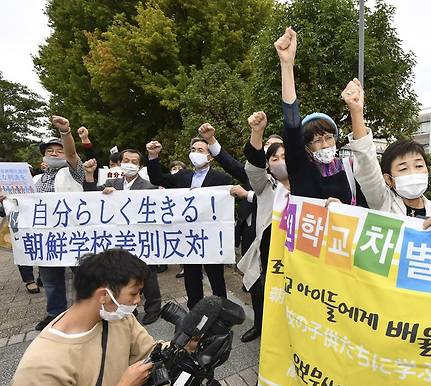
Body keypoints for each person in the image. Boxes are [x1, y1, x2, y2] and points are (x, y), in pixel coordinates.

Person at [9, 249, 156, 386]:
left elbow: (150, 351)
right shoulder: (42, 364)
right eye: (134, 293)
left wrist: (187, 344)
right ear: (104, 295)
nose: (138, 300)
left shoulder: (118, 319)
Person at [146, 123, 250, 310]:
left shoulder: (221, 179)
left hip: (210, 236)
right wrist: (153, 156)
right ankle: (195, 309)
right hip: (188, 236)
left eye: (200, 150)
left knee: (215, 276)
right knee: (192, 276)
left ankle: (221, 309)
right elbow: (157, 179)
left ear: (210, 156)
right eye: (193, 149)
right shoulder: (181, 176)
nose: (196, 152)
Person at [342, 78, 431, 233]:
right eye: (403, 168)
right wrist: (356, 112)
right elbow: (366, 161)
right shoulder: (383, 202)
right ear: (389, 179)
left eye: (419, 165)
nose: (413, 172)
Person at [274, 27, 367, 207]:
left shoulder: (350, 168)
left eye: (328, 138)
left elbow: (366, 210)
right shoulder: (301, 168)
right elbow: (292, 125)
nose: (325, 145)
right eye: (316, 140)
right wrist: (287, 66)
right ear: (306, 146)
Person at [82, 149, 163, 325]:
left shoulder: (148, 186)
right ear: (119, 163)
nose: (130, 164)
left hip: (141, 236)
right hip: (119, 237)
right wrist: (89, 176)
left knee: (147, 273)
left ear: (140, 166)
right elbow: (90, 197)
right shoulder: (111, 183)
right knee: (123, 273)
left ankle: (154, 307)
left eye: (134, 162)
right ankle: (127, 308)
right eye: (126, 160)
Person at [238, 111, 290, 342]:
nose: (280, 161)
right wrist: (257, 132)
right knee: (261, 291)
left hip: (293, 253)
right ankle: (260, 326)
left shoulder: (306, 184)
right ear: (268, 164)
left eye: (284, 155)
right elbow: (254, 167)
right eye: (274, 158)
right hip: (268, 252)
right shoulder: (265, 185)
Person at [31, 116, 86, 331]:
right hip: (46, 237)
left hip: (73, 234)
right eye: (49, 151)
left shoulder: (73, 171)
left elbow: (72, 154)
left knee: (83, 274)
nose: (54, 153)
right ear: (43, 156)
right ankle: (56, 314)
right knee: (51, 278)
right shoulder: (35, 180)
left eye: (58, 150)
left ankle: (86, 311)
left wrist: (65, 133)